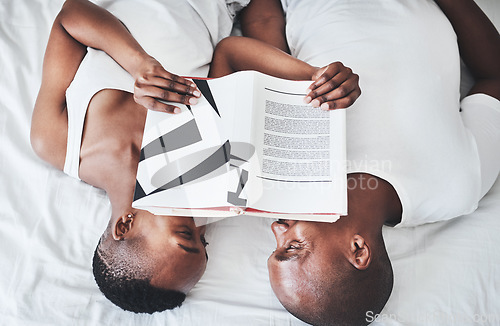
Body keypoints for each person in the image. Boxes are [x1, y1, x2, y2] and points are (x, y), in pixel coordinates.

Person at [30, 0, 360, 314]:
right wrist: (317, 79)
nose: (200, 223)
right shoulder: (207, 173)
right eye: (204, 241)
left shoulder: (57, 140)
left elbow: (70, 16)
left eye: (186, 236)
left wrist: (140, 65)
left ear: (125, 224)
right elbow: (230, 54)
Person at [212, 0, 500, 324]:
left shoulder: (285, 172)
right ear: (358, 250)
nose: (276, 229)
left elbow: (262, 24)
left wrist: (310, 76)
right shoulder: (460, 185)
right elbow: (494, 76)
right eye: (292, 248)